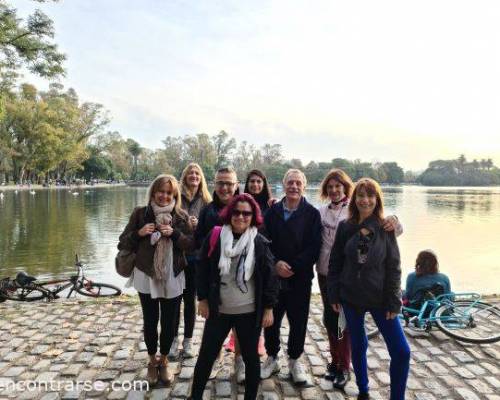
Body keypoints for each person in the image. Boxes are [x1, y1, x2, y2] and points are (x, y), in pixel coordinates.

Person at [317, 169, 403, 388]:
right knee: (358, 344)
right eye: (361, 196)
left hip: (380, 298)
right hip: (351, 297)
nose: (365, 200)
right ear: (354, 199)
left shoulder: (386, 227)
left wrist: (394, 300)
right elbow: (335, 262)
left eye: (370, 196)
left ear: (377, 199)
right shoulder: (346, 227)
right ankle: (363, 387)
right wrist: (334, 293)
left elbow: (394, 267)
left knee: (401, 351)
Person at [190, 194, 278, 400]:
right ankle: (195, 396)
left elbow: (270, 278)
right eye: (236, 212)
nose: (240, 217)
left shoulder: (259, 242)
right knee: (206, 357)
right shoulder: (216, 236)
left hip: (248, 312)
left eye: (246, 213)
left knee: (251, 359)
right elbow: (201, 268)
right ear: (230, 214)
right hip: (219, 309)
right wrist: (202, 299)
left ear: (253, 216)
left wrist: (268, 308)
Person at [118, 174, 195, 386]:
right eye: (160, 191)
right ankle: (152, 361)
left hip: (173, 275)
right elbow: (122, 242)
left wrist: (175, 234)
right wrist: (140, 233)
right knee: (150, 321)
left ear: (175, 195)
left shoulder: (181, 216)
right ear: (153, 192)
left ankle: (164, 360)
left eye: (169, 192)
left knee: (169, 323)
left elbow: (191, 245)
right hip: (146, 274)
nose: (164, 195)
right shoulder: (140, 214)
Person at [260, 169, 322, 385]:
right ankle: (272, 357)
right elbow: (263, 240)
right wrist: (275, 263)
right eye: (290, 182)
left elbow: (315, 247)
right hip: (274, 277)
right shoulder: (272, 212)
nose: (294, 186)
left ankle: (295, 360)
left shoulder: (312, 214)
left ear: (304, 186)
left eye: (298, 183)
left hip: (300, 277)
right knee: (271, 320)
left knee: (298, 321)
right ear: (283, 184)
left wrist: (294, 265)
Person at [194, 166, 240, 378]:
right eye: (220, 183)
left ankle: (240, 361)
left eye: (229, 183)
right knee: (213, 325)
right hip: (215, 280)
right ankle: (214, 356)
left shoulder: (245, 209)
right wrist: (201, 295)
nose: (224, 188)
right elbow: (199, 252)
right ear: (214, 184)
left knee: (242, 325)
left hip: (241, 278)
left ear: (236, 185)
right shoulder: (207, 212)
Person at [169, 163, 212, 359]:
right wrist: (187, 224)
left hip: (196, 258)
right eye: (190, 173)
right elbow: (169, 222)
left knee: (190, 301)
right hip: (177, 256)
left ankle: (187, 341)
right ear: (184, 176)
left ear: (201, 177)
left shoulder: (206, 200)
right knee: (174, 300)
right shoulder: (176, 197)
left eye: (197, 173)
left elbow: (210, 230)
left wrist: (198, 225)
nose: (194, 176)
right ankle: (172, 341)